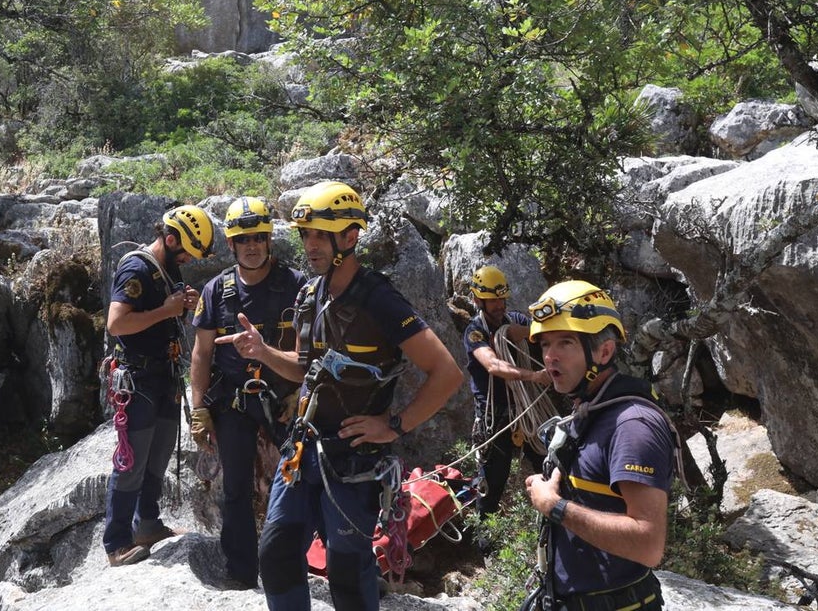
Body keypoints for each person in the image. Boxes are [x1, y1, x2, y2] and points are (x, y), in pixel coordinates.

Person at [215, 181, 464, 611]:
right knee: (275, 555)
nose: (310, 245)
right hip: (303, 446)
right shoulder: (310, 294)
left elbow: (446, 372)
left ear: (350, 237)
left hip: (353, 458)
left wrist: (394, 425)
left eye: (319, 235)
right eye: (305, 234)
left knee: (348, 573)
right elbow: (303, 367)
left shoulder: (378, 299)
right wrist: (262, 352)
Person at [523, 280, 677, 611]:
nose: (550, 356)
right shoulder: (591, 408)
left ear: (604, 352)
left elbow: (648, 544)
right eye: (546, 343)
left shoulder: (632, 426)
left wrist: (555, 506)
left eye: (566, 342)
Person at [189, 197, 306, 589]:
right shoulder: (215, 292)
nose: (252, 246)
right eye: (243, 240)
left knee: (305, 478)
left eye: (258, 237)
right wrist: (198, 408)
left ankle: (301, 563)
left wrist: (301, 390)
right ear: (231, 245)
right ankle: (241, 573)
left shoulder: (295, 286)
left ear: (269, 240)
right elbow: (202, 354)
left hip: (284, 399)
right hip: (235, 402)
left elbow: (316, 350)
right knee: (235, 488)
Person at [102, 204, 215, 567]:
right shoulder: (135, 268)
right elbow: (116, 323)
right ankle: (116, 543)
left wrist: (183, 306)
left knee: (160, 451)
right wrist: (166, 311)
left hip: (164, 374)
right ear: (169, 239)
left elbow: (166, 308)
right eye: (185, 251)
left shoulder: (169, 267)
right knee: (131, 460)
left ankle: (147, 524)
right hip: (138, 377)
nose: (187, 259)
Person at [463, 265, 552, 518]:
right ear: (478, 299)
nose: (499, 304)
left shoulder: (516, 320)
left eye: (502, 298)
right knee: (492, 483)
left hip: (527, 410)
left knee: (548, 465)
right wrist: (533, 376)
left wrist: (516, 333)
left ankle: (552, 527)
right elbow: (492, 364)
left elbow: (542, 332)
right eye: (492, 300)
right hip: (495, 415)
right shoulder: (474, 332)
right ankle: (486, 545)